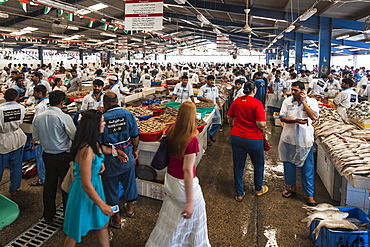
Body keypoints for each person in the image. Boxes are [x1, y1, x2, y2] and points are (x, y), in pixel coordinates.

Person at [146, 102, 210, 247]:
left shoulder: (171, 129)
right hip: (183, 184)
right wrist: (190, 201)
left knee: (172, 215)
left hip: (170, 180)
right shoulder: (191, 139)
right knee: (196, 214)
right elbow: (187, 170)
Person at [63, 110, 128, 246]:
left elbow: (103, 150)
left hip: (95, 187)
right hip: (84, 192)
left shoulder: (93, 143)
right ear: (94, 125)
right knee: (75, 231)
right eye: (102, 121)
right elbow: (86, 184)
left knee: (102, 224)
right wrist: (102, 205)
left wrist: (116, 153)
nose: (105, 124)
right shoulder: (86, 151)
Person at [32, 91, 77, 224]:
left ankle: (48, 215)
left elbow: (36, 138)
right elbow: (74, 136)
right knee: (66, 186)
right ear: (62, 103)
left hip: (47, 155)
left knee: (49, 185)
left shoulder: (38, 118)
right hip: (63, 155)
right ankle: (67, 216)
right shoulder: (64, 117)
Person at [100, 93, 139, 228]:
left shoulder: (102, 118)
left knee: (111, 191)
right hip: (127, 156)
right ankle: (130, 209)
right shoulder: (128, 114)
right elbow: (135, 135)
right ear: (117, 101)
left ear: (105, 103)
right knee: (129, 183)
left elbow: (99, 142)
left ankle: (116, 218)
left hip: (109, 161)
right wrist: (135, 149)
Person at [279, 81, 319, 206]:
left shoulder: (312, 102)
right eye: (292, 90)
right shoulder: (287, 101)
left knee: (307, 169)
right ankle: (292, 188)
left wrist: (304, 102)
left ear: (302, 91)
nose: (293, 92)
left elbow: (313, 117)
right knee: (289, 165)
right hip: (289, 139)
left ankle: (309, 195)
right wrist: (294, 120)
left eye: (295, 90)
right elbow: (282, 117)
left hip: (305, 141)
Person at [228, 82, 268, 202]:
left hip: (236, 137)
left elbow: (230, 118)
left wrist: (233, 126)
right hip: (253, 139)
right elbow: (260, 123)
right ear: (254, 90)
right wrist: (264, 127)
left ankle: (240, 193)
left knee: (238, 166)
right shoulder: (257, 103)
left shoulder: (237, 101)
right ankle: (258, 189)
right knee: (258, 164)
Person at [0, 89, 27, 196]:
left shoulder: (0, 110)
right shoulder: (21, 108)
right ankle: (14, 189)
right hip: (17, 138)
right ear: (16, 97)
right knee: (16, 166)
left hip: (2, 140)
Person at [29, 85, 49, 187]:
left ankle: (42, 179)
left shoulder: (39, 107)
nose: (33, 94)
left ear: (40, 93)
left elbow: (35, 123)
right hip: (50, 136)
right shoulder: (50, 102)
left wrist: (34, 139)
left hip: (41, 137)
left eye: (35, 92)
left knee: (40, 158)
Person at [197, 75, 222, 146]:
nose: (212, 81)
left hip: (214, 107)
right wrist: (207, 100)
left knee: (218, 122)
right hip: (206, 108)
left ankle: (210, 134)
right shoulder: (203, 88)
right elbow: (199, 97)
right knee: (207, 123)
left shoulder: (215, 88)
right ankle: (207, 139)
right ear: (207, 80)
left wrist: (219, 105)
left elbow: (217, 97)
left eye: (213, 80)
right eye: (210, 80)